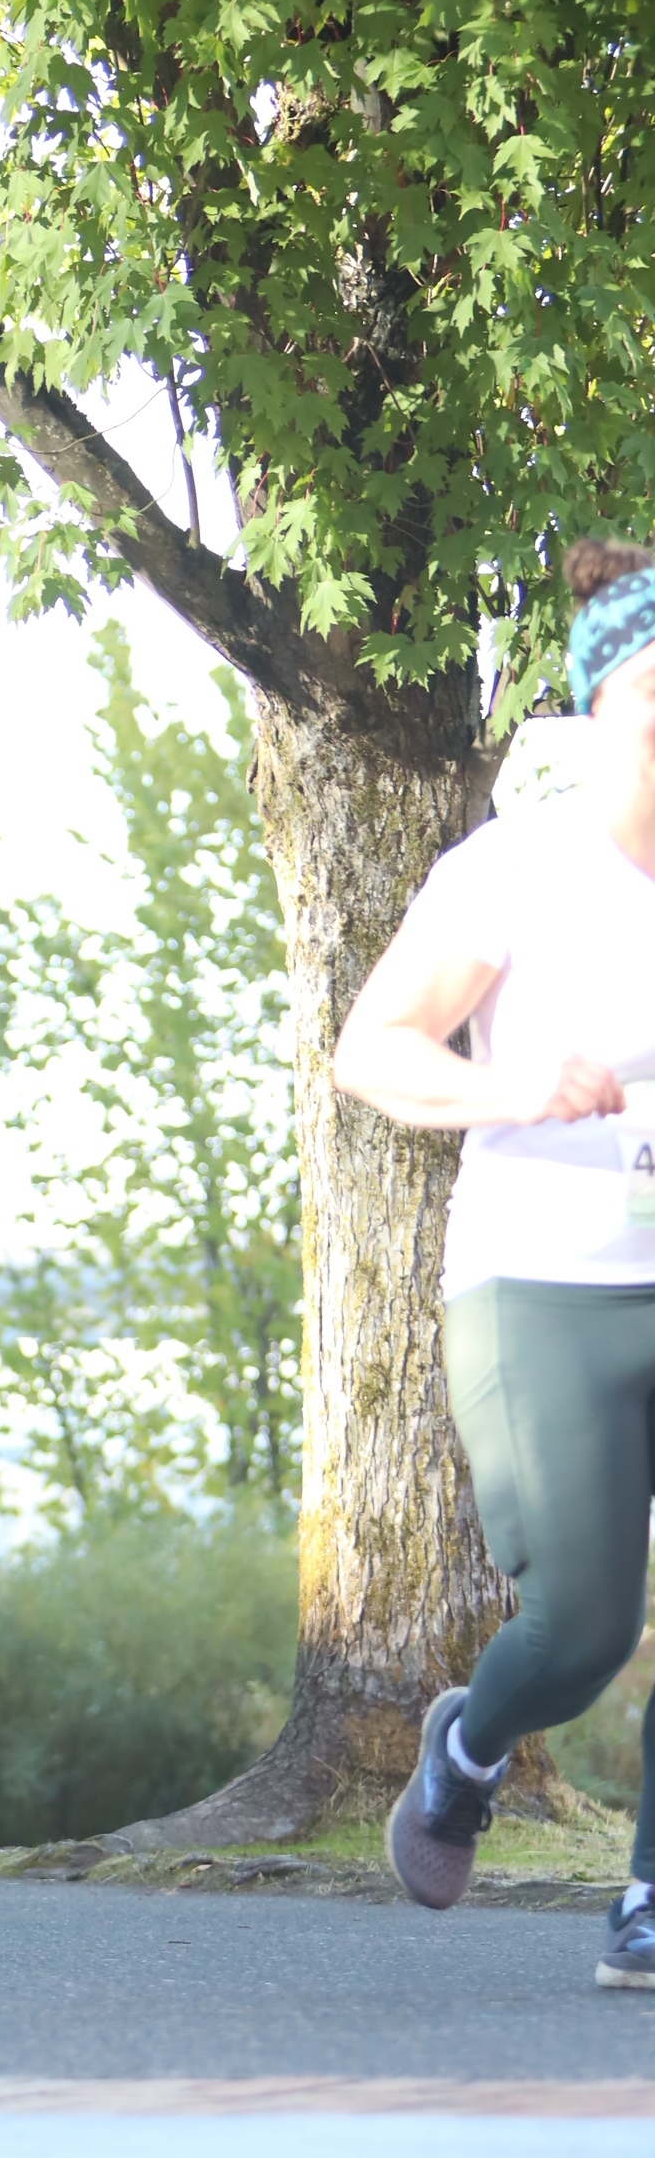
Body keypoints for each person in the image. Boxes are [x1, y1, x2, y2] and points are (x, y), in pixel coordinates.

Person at [332, 535, 655, 1977]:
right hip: (542, 1284)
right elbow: (371, 1049)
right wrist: (516, 1086)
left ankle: (647, 1899)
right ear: (599, 709)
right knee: (580, 1632)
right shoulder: (515, 868)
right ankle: (467, 1747)